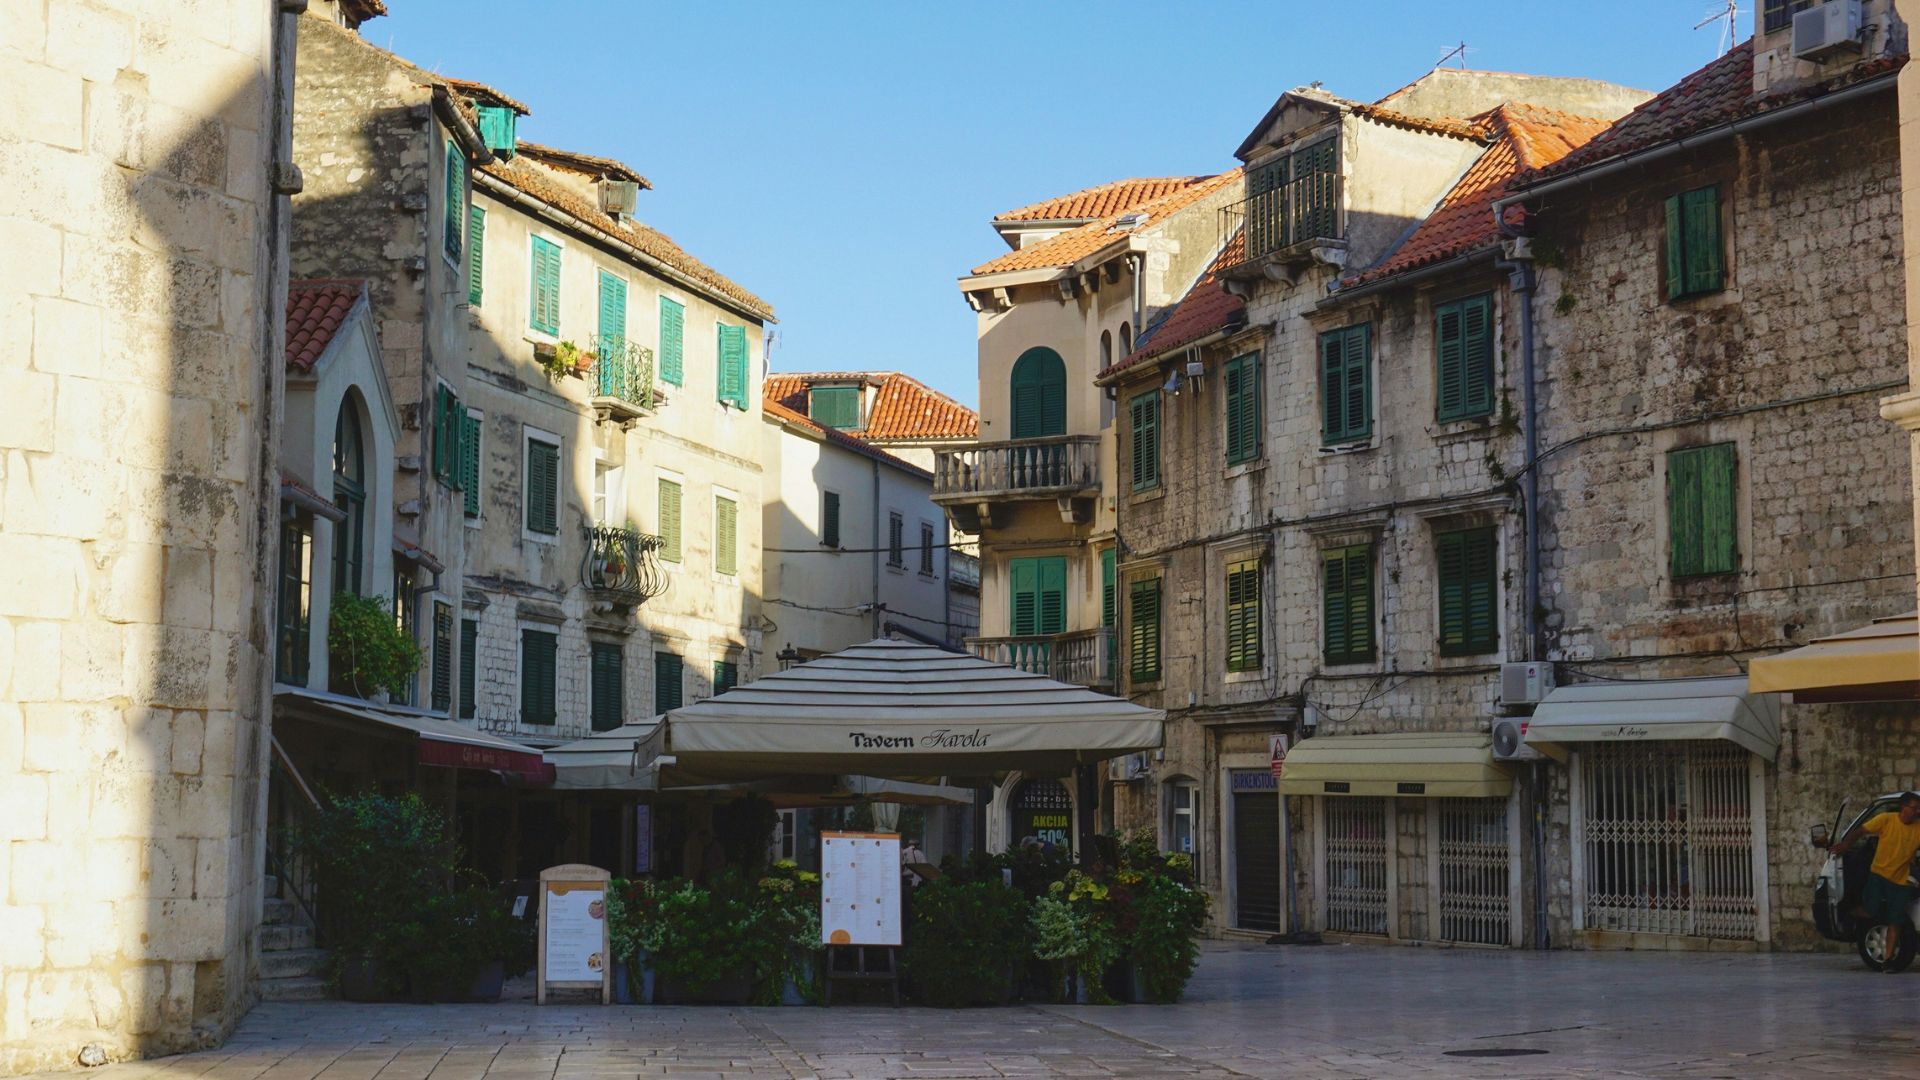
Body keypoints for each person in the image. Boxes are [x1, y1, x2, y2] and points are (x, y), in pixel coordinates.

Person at [1830, 791, 1920, 967]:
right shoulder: (1886, 819)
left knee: (1895, 921)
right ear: (1903, 807)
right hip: (1878, 875)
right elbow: (1860, 831)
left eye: (1919, 809)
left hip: (1901, 881)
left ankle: (1887, 960)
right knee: (1872, 910)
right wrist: (1845, 845)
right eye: (1914, 808)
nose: (1917, 812)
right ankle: (1850, 912)